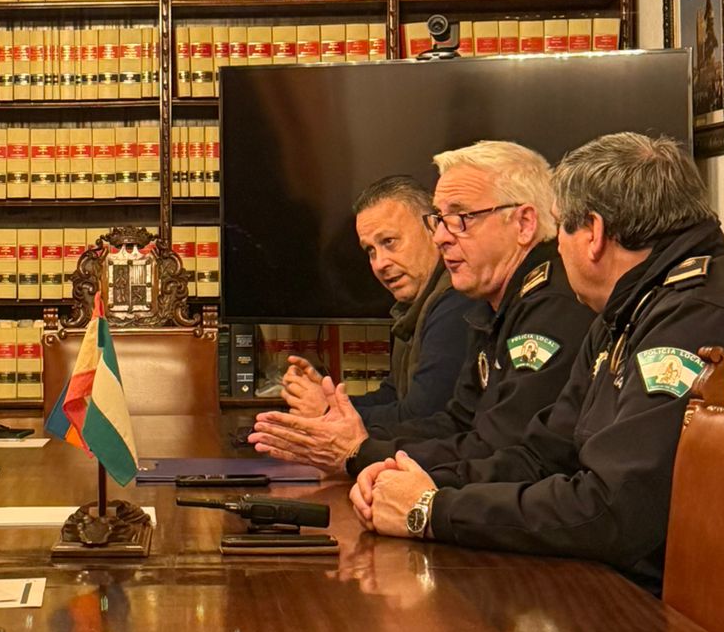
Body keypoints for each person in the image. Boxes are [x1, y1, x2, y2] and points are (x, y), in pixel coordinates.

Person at [354, 132, 724, 587]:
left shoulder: (696, 320)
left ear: (592, 233)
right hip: (636, 581)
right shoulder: (631, 308)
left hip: (682, 608)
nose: (556, 249)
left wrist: (432, 511)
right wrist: (419, 481)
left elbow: (613, 510)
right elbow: (543, 455)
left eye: (560, 228)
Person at [251, 140, 592, 477]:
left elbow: (502, 454)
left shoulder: (553, 306)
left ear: (524, 223)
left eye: (461, 218)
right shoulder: (491, 303)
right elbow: (456, 422)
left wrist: (360, 453)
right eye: (439, 220)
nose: (441, 236)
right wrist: (348, 441)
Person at [276, 175, 473, 435]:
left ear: (434, 229)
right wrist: (329, 400)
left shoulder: (455, 302)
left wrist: (327, 411)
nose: (379, 264)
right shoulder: (412, 306)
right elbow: (393, 394)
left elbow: (421, 416)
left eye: (389, 241)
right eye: (370, 250)